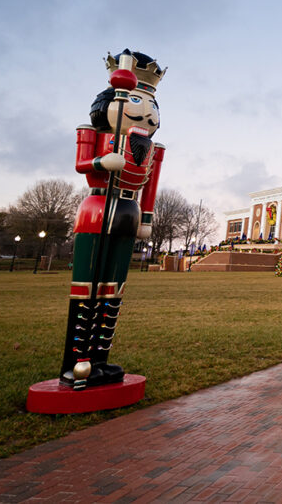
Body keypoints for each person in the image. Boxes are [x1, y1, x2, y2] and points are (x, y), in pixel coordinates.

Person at [59, 50, 166, 390]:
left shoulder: (152, 148)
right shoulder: (96, 135)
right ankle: (75, 361)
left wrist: (146, 218)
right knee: (86, 288)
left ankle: (101, 358)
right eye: (137, 100)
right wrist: (101, 163)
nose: (146, 112)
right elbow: (81, 164)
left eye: (151, 106)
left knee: (114, 287)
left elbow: (150, 185)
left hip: (128, 213)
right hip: (97, 210)